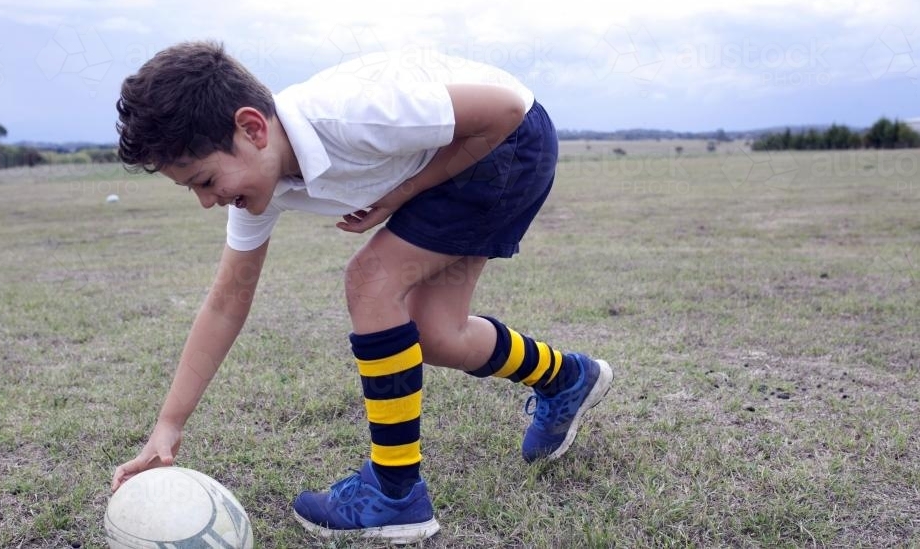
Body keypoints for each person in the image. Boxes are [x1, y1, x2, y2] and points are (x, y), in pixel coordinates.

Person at [110, 41, 613, 544]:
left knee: (370, 280)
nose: (205, 201)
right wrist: (168, 426)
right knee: (437, 335)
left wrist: (402, 193)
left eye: (206, 180)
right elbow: (226, 302)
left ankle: (395, 494)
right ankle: (566, 377)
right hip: (462, 157)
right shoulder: (255, 187)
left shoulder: (348, 115)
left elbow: (504, 110)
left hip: (506, 141)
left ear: (253, 129)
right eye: (192, 189)